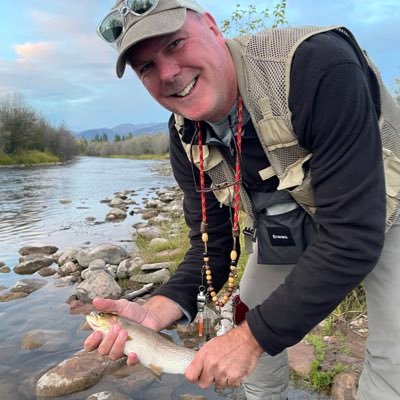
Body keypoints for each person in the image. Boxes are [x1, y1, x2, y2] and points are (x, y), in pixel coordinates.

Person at [85, 0, 400, 399]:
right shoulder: (185, 133)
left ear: (213, 29)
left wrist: (251, 341)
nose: (168, 73)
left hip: (384, 208)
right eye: (146, 67)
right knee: (245, 318)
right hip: (290, 219)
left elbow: (353, 235)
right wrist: (158, 310)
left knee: (395, 359)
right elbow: (213, 244)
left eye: (175, 44)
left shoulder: (316, 66)